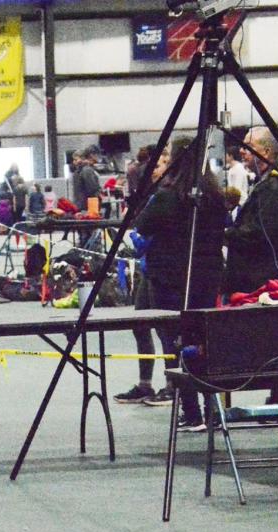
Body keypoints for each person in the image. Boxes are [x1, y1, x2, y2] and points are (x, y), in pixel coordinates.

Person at [136, 136, 225, 430]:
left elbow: (143, 225)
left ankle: (191, 412)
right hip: (207, 279)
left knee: (175, 344)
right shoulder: (214, 196)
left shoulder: (167, 196)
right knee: (205, 344)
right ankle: (212, 411)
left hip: (171, 281)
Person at [114, 146, 169, 405]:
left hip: (162, 267)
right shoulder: (151, 193)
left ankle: (172, 384)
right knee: (140, 324)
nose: (153, 170)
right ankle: (145, 384)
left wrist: (136, 236)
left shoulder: (168, 196)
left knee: (165, 329)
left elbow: (151, 233)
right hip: (147, 267)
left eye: (158, 165)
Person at [223, 127, 278, 296]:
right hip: (261, 276)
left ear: (265, 152)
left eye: (248, 147)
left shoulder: (274, 187)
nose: (242, 151)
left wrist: (226, 235)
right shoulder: (265, 183)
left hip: (267, 279)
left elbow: (260, 232)